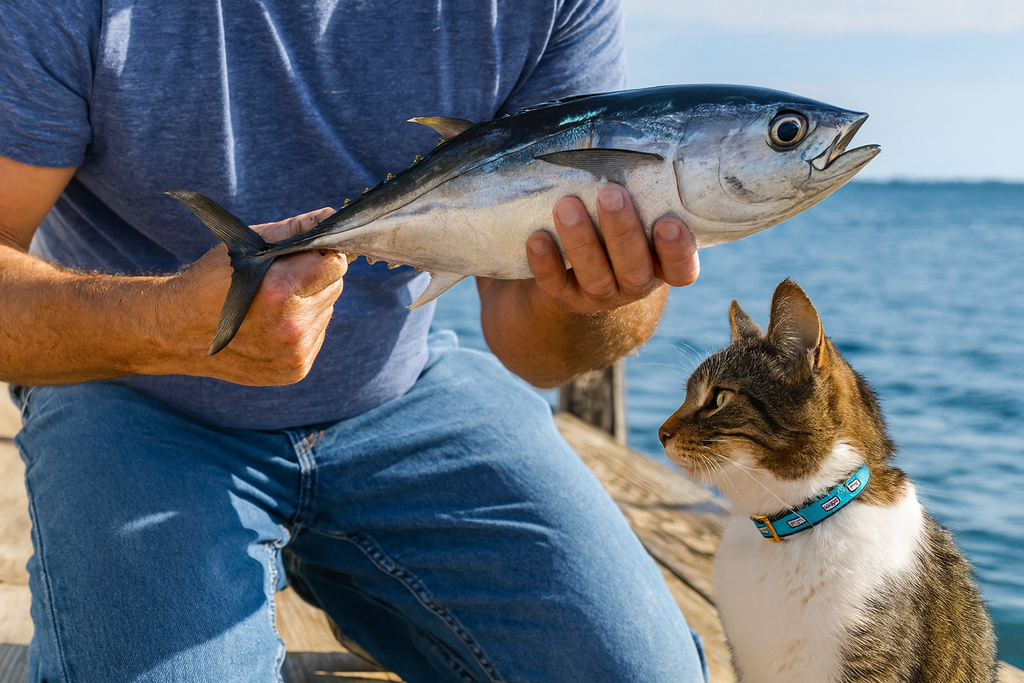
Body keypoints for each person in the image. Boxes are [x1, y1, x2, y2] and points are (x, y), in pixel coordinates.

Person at [0, 1, 707, 681]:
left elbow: (532, 348)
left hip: (404, 390)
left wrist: (606, 294)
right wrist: (163, 325)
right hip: (135, 401)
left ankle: (355, 578)